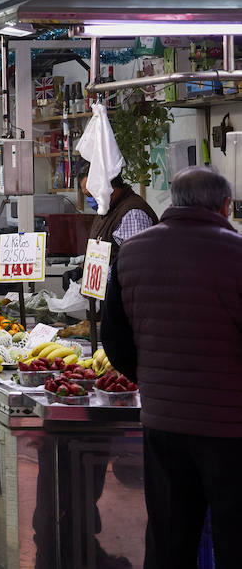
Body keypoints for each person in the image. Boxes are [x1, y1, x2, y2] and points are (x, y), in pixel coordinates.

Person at [101, 167, 242, 567]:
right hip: (230, 428)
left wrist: (152, 380)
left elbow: (114, 338)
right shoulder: (237, 253)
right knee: (234, 536)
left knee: (168, 535)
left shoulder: (132, 253)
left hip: (162, 423)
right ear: (225, 205)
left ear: (173, 202)